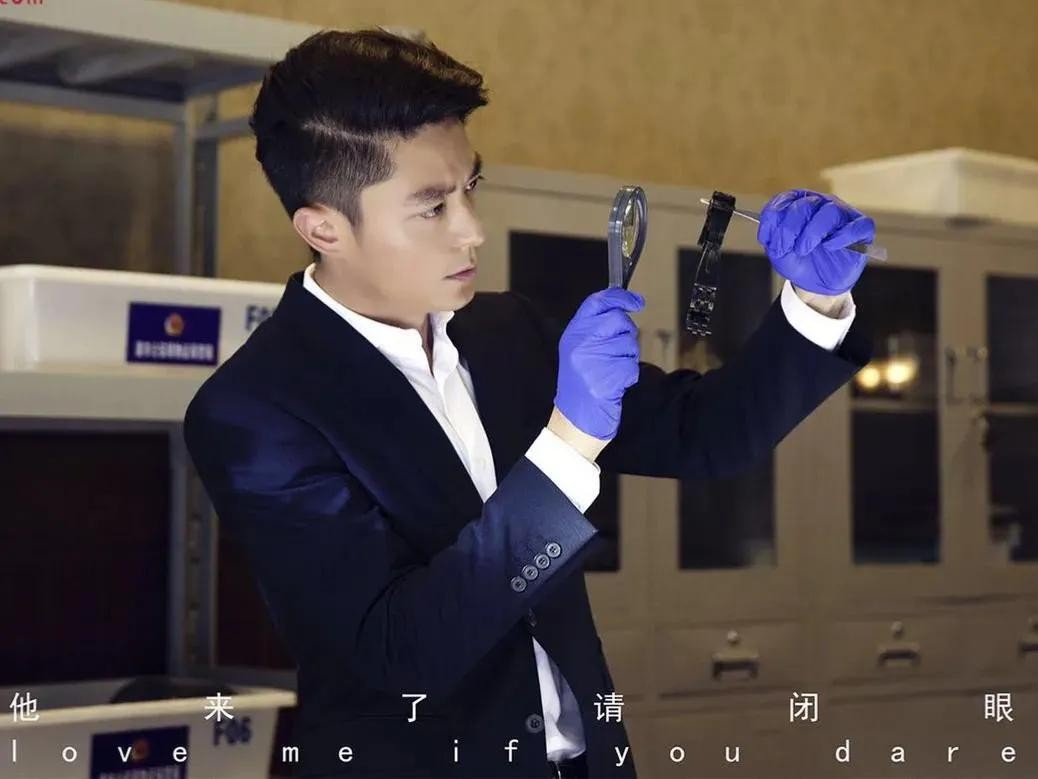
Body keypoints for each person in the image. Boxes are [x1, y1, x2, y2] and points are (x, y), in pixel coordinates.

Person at [183, 28, 874, 779]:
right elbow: (400, 650)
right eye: (432, 207)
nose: (472, 230)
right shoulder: (254, 412)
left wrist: (817, 300)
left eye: (470, 186)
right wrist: (570, 438)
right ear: (323, 227)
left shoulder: (506, 330)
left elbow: (708, 434)